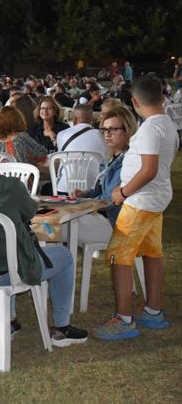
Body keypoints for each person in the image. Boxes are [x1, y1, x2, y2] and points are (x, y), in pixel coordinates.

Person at [0, 132, 89, 346]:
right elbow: (30, 212)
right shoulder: (12, 187)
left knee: (5, 248)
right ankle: (62, 328)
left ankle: (11, 321)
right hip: (5, 272)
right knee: (64, 256)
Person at [93, 74, 179, 340]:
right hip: (154, 199)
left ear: (134, 101)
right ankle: (153, 310)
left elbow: (149, 169)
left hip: (140, 201)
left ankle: (124, 319)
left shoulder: (151, 129)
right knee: (152, 254)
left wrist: (122, 192)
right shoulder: (167, 124)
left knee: (118, 257)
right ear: (162, 96)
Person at [70, 106, 137, 247]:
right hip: (102, 216)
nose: (107, 134)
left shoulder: (128, 161)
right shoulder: (110, 157)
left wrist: (81, 203)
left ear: (127, 130)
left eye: (113, 129)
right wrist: (86, 193)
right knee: (59, 225)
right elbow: (102, 190)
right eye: (105, 130)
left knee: (63, 226)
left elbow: (109, 199)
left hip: (114, 222)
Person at [54, 104, 107, 194]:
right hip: (92, 190)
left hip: (64, 188)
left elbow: (60, 158)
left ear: (74, 119)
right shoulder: (103, 136)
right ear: (92, 119)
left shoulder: (61, 134)